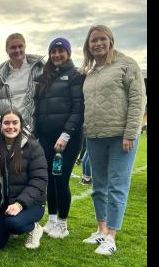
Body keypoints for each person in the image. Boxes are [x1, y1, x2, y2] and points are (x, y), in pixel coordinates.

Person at [79, 25, 146, 255]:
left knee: (117, 185)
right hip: (95, 136)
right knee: (99, 186)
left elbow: (138, 100)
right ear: (88, 46)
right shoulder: (91, 72)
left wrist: (130, 133)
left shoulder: (127, 65)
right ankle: (101, 230)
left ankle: (112, 236)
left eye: (102, 39)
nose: (97, 43)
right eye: (93, 40)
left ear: (111, 41)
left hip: (120, 137)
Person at [33, 37, 84, 239]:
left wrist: (66, 134)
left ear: (68, 53)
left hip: (67, 139)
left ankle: (63, 223)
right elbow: (38, 108)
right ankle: (52, 219)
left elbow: (78, 108)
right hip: (45, 137)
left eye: (60, 51)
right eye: (53, 52)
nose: (56, 55)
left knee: (61, 180)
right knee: (49, 179)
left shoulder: (76, 75)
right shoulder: (45, 76)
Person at [0, 109, 47, 250]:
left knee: (14, 224)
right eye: (6, 123)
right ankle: (10, 225)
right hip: (6, 204)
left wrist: (20, 204)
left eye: (14, 122)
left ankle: (34, 227)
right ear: (0, 126)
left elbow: (39, 179)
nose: (10, 126)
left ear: (20, 125)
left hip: (31, 204)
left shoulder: (33, 146)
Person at [0, 33, 44, 134]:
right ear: (7, 50)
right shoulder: (1, 72)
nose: (17, 50)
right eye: (13, 47)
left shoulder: (39, 67)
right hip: (8, 128)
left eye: (20, 46)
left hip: (32, 128)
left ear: (25, 46)